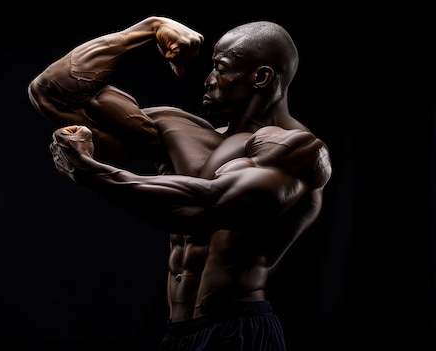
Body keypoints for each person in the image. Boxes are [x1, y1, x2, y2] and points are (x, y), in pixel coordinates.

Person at [28, 16, 332, 351]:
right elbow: (50, 93)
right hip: (178, 334)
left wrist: (94, 173)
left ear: (260, 77)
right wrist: (147, 29)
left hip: (238, 330)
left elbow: (206, 206)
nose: (208, 79)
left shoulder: (297, 149)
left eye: (221, 67)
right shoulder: (179, 132)